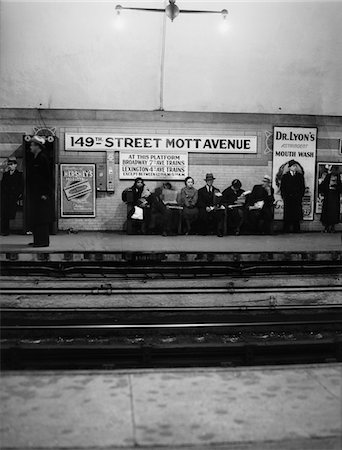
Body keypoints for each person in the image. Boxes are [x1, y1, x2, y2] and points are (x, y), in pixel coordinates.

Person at [26, 136, 52, 247]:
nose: (30, 147)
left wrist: (45, 193)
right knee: (36, 216)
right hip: (35, 193)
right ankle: (37, 240)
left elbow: (48, 177)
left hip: (41, 194)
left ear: (38, 146)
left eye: (32, 145)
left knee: (42, 217)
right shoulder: (35, 158)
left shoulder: (43, 158)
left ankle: (43, 241)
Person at [280, 160, 305, 233]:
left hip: (297, 198)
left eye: (295, 166)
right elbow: (282, 188)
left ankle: (296, 229)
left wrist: (300, 196)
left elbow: (302, 187)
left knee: (296, 214)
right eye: (293, 166)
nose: (295, 167)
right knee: (288, 214)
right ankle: (286, 229)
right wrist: (284, 196)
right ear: (290, 167)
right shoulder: (285, 176)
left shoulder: (300, 176)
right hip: (288, 198)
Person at [0, 158, 23, 235]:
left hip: (14, 196)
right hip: (6, 196)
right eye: (9, 164)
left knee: (10, 213)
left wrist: (18, 194)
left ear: (15, 165)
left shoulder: (19, 174)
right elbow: (2, 185)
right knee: (4, 214)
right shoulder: (6, 174)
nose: (10, 166)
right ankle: (5, 230)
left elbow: (20, 186)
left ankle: (8, 229)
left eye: (12, 164)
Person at [197, 173, 225, 237]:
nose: (210, 181)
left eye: (211, 180)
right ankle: (204, 231)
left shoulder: (216, 190)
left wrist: (217, 206)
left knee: (220, 213)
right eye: (208, 180)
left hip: (214, 207)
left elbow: (220, 200)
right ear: (206, 181)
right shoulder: (201, 191)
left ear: (213, 181)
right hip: (205, 207)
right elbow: (199, 201)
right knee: (202, 213)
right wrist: (206, 207)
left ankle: (219, 231)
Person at [319, 166, 342, 233]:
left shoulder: (338, 178)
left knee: (333, 213)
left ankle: (332, 227)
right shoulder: (328, 176)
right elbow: (323, 186)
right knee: (327, 212)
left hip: (334, 196)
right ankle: (326, 227)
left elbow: (340, 187)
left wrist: (336, 187)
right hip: (328, 196)